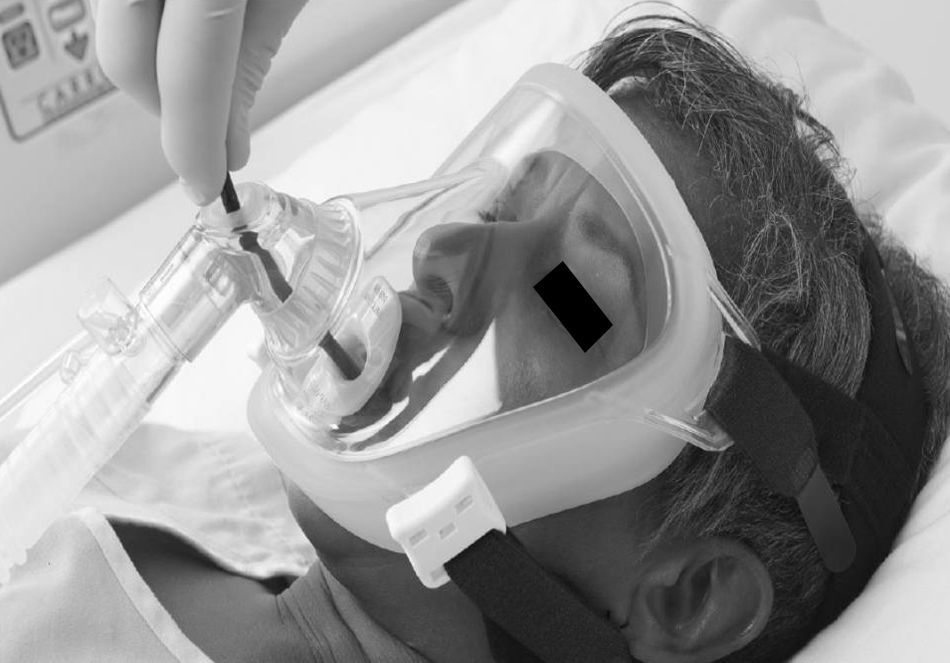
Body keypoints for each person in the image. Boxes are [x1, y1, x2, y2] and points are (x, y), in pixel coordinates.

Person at [1, 6, 947, 663]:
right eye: (499, 204)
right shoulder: (165, 475)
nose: (443, 248)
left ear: (686, 598)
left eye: (569, 293)